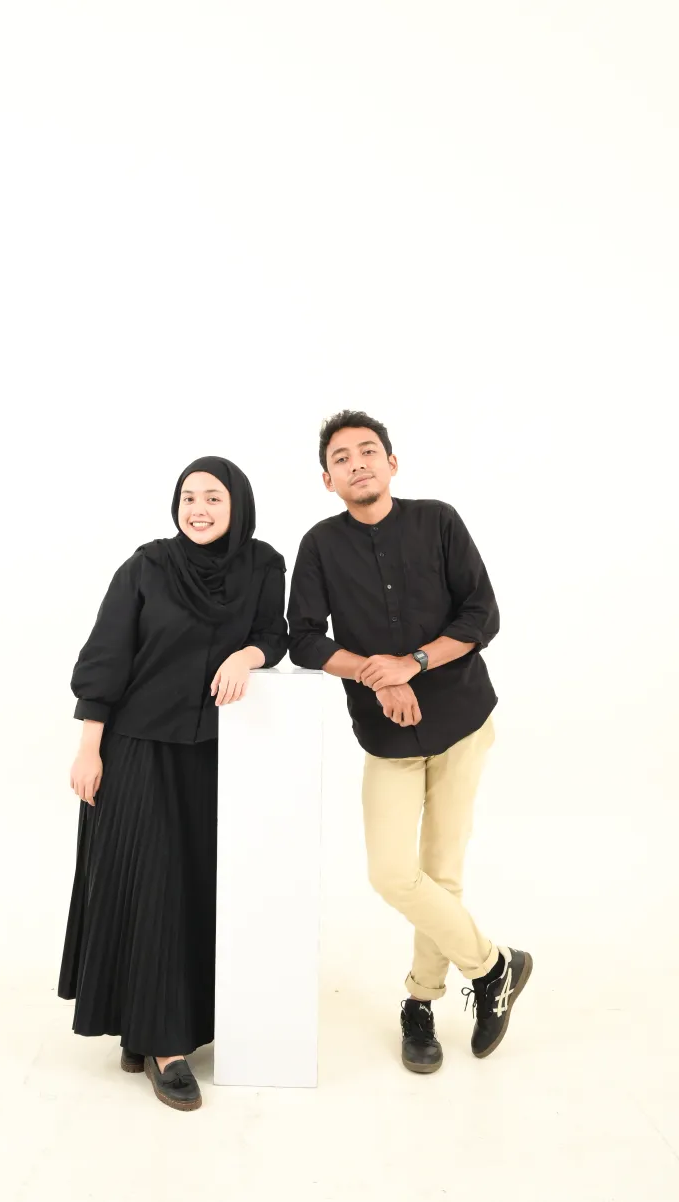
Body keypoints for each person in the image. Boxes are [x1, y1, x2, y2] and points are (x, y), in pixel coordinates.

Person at [287, 411, 532, 1074]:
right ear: (327, 479)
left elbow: (481, 614)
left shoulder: (438, 521)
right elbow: (303, 638)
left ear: (392, 463)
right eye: (342, 458)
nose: (357, 464)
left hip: (461, 720)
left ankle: (420, 1004)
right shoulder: (319, 545)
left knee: (442, 874)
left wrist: (413, 664)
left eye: (368, 451)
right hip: (386, 735)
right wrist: (378, 674)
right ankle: (495, 966)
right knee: (393, 873)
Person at [58, 456, 288, 1111]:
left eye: (213, 497)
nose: (199, 509)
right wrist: (89, 749)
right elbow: (106, 656)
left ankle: (148, 1025)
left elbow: (273, 634)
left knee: (192, 891)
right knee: (149, 888)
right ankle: (163, 1046)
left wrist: (246, 655)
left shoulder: (263, 565)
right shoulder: (147, 567)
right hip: (137, 749)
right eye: (189, 497)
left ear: (237, 505)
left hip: (214, 755)